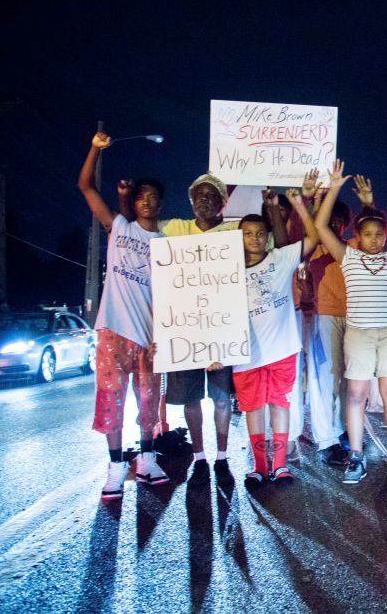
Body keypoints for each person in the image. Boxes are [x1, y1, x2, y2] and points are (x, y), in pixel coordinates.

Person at [314, 160, 387, 484]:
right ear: (358, 236)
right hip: (360, 334)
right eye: (368, 234)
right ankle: (356, 456)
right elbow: (322, 228)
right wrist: (334, 188)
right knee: (356, 395)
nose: (374, 239)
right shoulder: (348, 256)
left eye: (379, 234)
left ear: (385, 236)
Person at [78, 130, 169, 500]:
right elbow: (85, 186)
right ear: (134, 202)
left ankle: (146, 459)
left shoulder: (166, 244)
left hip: (150, 334)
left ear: (160, 204)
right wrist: (95, 149)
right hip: (114, 329)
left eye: (153, 197)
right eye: (141, 196)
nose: (147, 201)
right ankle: (116, 466)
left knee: (149, 400)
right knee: (112, 398)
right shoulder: (118, 226)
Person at [211, 190, 318, 489]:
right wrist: (214, 348)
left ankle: (280, 465)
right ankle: (259, 467)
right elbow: (214, 313)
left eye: (260, 233)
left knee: (279, 405)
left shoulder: (281, 258)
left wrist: (297, 204)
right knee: (253, 409)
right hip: (246, 354)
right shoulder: (226, 273)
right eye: (248, 234)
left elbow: (313, 236)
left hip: (282, 349)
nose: (255, 238)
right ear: (239, 237)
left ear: (268, 235)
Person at [158, 174, 239, 486]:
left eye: (211, 196)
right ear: (191, 201)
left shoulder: (234, 232)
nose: (204, 200)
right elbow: (137, 227)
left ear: (222, 203)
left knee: (221, 399)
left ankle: (221, 457)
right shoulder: (175, 229)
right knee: (192, 400)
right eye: (198, 196)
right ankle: (199, 457)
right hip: (186, 332)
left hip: (222, 331)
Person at [304, 171, 381, 466]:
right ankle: (326, 441)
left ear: (347, 224)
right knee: (326, 380)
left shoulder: (354, 248)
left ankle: (348, 429)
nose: (334, 225)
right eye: (330, 220)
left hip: (356, 319)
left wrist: (368, 205)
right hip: (326, 318)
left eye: (340, 221)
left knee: (352, 380)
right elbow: (314, 224)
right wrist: (319, 198)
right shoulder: (316, 246)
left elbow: (371, 231)